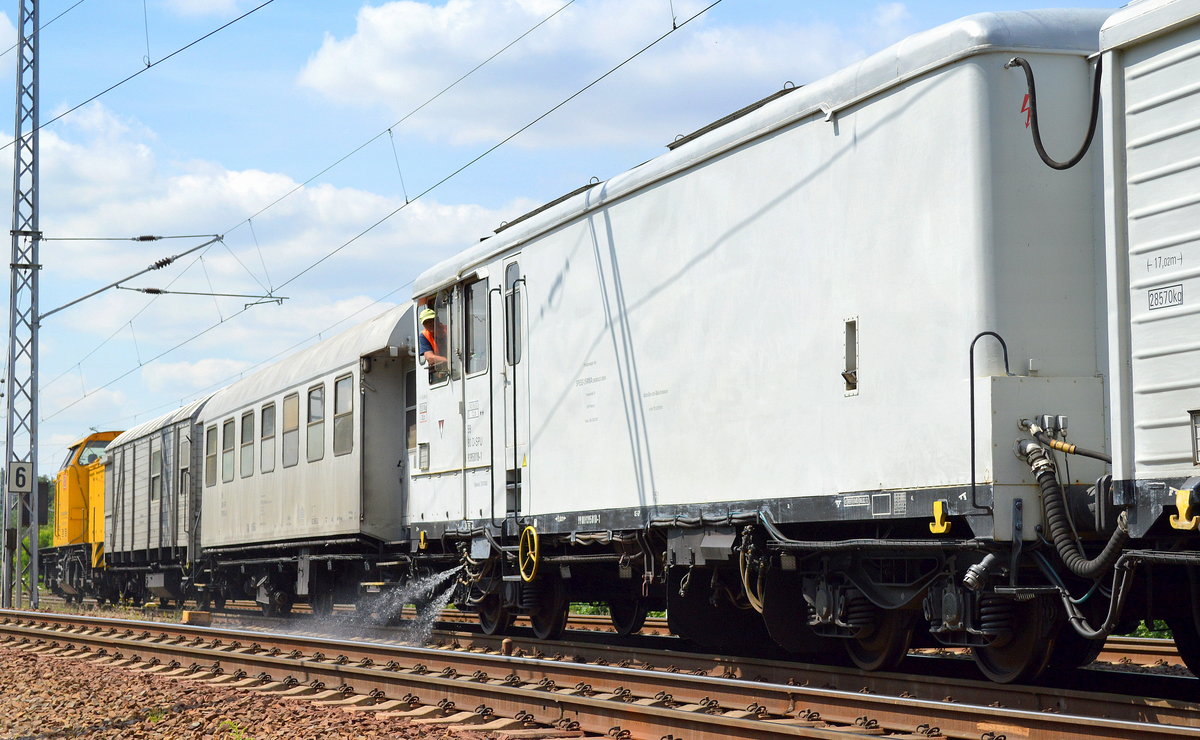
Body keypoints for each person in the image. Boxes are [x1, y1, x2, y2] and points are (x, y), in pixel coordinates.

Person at [418, 307, 448, 373]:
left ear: (437, 320)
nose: (429, 324)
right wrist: (449, 361)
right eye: (426, 322)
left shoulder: (449, 329)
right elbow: (430, 358)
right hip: (440, 371)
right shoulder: (424, 336)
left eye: (431, 320)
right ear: (423, 325)